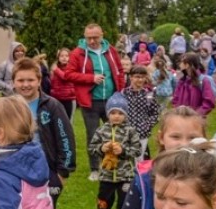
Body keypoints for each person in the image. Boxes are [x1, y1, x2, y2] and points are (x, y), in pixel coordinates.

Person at [12, 58, 76, 209]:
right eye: (20, 80)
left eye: (30, 79)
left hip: (45, 170)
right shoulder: (9, 106)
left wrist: (62, 173)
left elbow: (65, 138)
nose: (25, 84)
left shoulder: (52, 106)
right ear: (13, 82)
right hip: (16, 170)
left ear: (39, 80)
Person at [116, 106, 205, 209]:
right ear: (161, 138)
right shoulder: (145, 178)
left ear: (203, 140)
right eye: (175, 136)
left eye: (192, 138)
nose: (184, 144)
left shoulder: (210, 176)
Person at [66, 23, 127, 181]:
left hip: (111, 101)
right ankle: (95, 169)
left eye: (95, 37)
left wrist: (120, 91)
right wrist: (90, 78)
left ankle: (113, 164)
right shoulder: (77, 53)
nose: (92, 41)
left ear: (102, 35)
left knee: (115, 133)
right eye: (88, 38)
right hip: (90, 101)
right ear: (84, 37)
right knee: (94, 135)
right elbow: (69, 74)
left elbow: (119, 70)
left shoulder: (111, 50)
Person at [88, 93, 141, 209]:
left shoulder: (130, 131)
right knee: (103, 201)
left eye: (120, 113)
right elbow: (91, 148)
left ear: (126, 115)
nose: (116, 116)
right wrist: (101, 148)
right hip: (106, 175)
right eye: (113, 113)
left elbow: (137, 150)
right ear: (107, 114)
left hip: (126, 175)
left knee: (124, 203)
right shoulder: (101, 131)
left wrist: (123, 151)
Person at [122, 66, 160, 160]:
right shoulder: (123, 93)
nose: (140, 79)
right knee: (125, 157)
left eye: (143, 77)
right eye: (137, 77)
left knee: (140, 158)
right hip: (125, 132)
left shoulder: (149, 95)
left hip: (142, 133)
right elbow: (119, 111)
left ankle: (139, 174)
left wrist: (147, 126)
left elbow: (155, 113)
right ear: (131, 77)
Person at [50, 47, 76, 119]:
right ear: (58, 57)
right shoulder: (55, 68)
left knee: (68, 120)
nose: (64, 58)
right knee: (57, 119)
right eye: (62, 56)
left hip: (69, 99)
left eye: (66, 56)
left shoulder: (72, 67)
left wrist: (56, 70)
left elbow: (66, 77)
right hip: (57, 98)